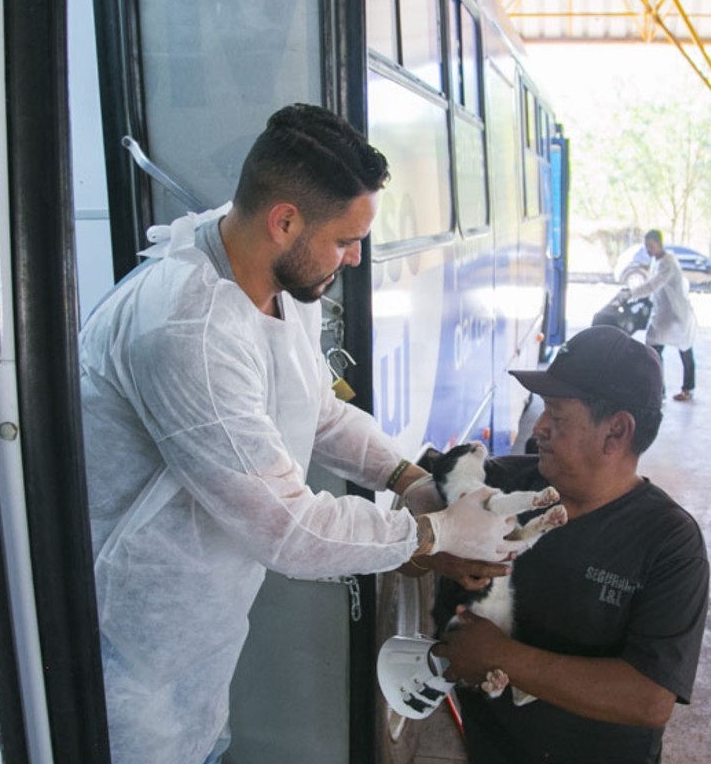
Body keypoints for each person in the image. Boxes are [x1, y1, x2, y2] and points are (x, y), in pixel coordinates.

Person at [79, 104, 523, 763]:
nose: (353, 258)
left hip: (203, 630)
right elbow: (290, 530)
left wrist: (408, 480)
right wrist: (435, 535)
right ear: (284, 220)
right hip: (133, 647)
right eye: (345, 240)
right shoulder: (188, 330)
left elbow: (315, 409)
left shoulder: (278, 285)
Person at [433, 325, 709, 764]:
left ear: (616, 432)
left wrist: (501, 657)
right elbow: (416, 515)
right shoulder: (502, 485)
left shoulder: (669, 542)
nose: (538, 427)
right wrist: (431, 542)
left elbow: (649, 699)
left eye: (557, 416)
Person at [619, 230, 698, 401]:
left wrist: (632, 294)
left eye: (651, 246)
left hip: (676, 315)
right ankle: (658, 390)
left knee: (683, 349)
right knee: (654, 348)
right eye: (646, 246)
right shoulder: (658, 260)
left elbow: (654, 284)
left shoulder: (667, 263)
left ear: (659, 244)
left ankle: (685, 388)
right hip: (664, 314)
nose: (648, 250)